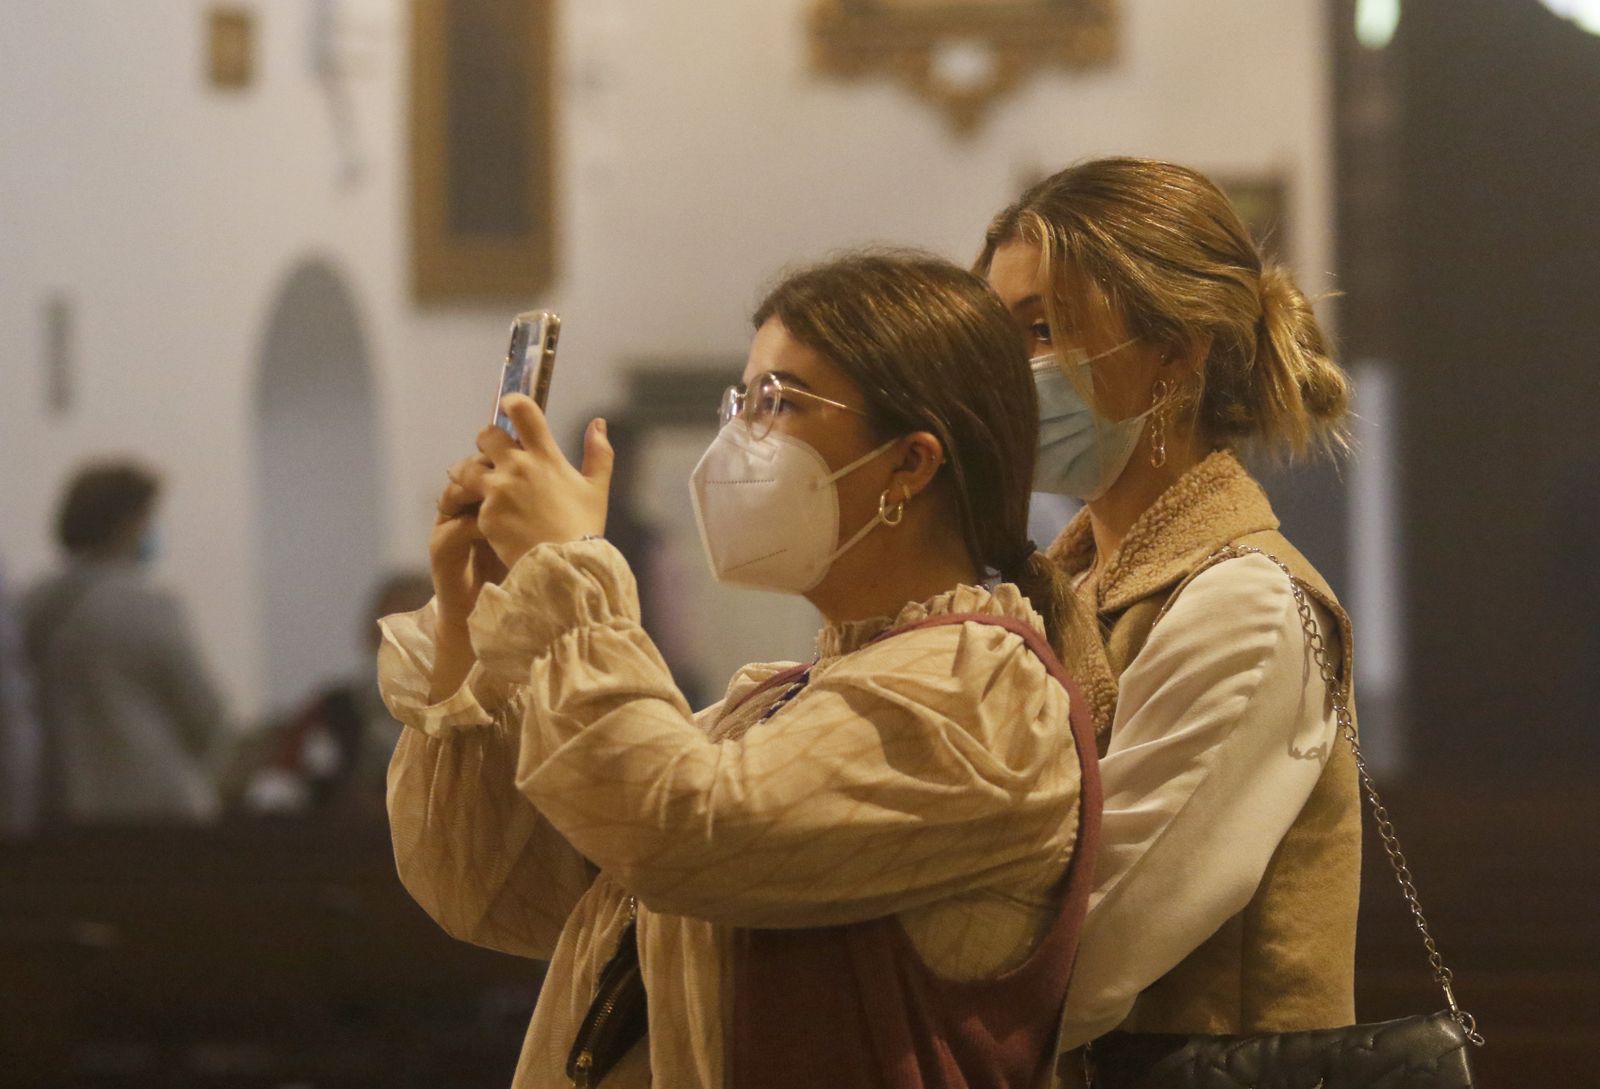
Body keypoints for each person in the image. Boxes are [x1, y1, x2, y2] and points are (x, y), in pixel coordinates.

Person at [381, 253, 1101, 1088]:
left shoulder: (980, 696)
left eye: (779, 403)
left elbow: (680, 826)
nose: (739, 437)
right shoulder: (778, 699)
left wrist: (570, 564)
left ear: (911, 462)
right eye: (742, 400)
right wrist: (472, 621)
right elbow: (494, 888)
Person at [976, 158, 1362, 1067]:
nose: (1013, 373)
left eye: (1045, 330)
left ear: (1178, 349)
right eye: (999, 339)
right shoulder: (1056, 592)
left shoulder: (1247, 601)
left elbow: (1096, 938)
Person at [24, 461, 232, 823]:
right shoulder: (144, 605)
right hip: (145, 811)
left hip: (52, 811)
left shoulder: (31, 604)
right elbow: (204, 713)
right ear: (126, 523)